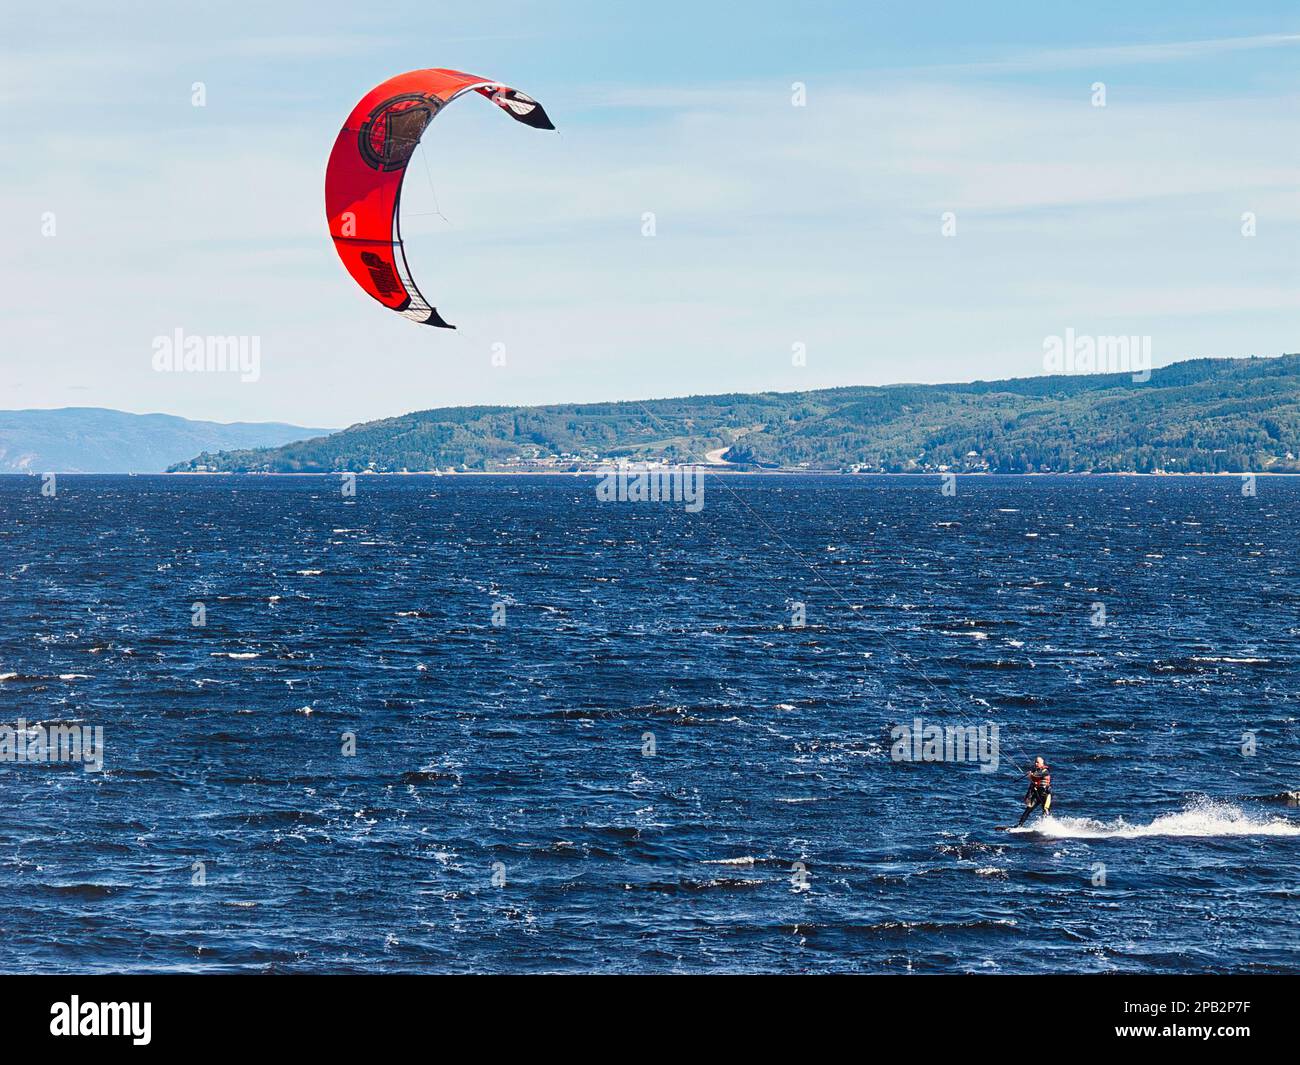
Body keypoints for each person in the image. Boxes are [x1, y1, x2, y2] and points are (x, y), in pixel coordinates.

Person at [1015, 757, 1052, 826]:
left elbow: (1037, 776)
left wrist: (1031, 774)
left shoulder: (1045, 771)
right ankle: (1020, 825)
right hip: (1036, 794)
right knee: (1028, 809)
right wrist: (1027, 796)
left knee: (1046, 810)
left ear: (1042, 763)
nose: (1035, 763)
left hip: (1045, 795)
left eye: (1037, 762)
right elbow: (1032, 785)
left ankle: (1048, 826)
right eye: (1035, 762)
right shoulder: (1035, 771)